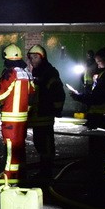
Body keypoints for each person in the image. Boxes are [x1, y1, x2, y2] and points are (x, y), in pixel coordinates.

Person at [0, 44, 34, 180]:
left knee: (10, 148)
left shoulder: (10, 73)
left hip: (11, 119)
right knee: (19, 147)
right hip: (22, 119)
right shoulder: (26, 73)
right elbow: (32, 93)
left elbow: (3, 93)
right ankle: (21, 175)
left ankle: (9, 177)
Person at [70, 47, 105, 172]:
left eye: (99, 61)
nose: (97, 64)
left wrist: (78, 97)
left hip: (101, 118)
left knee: (98, 152)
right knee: (101, 151)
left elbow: (98, 98)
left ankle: (97, 177)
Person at [26, 44, 65, 183]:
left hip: (45, 115)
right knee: (40, 145)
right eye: (31, 57)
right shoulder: (37, 73)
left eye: (35, 57)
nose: (32, 60)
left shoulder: (49, 73)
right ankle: (43, 172)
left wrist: (55, 110)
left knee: (46, 146)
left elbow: (59, 94)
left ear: (43, 58)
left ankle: (46, 174)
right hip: (37, 116)